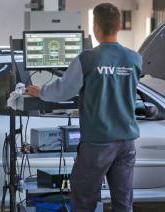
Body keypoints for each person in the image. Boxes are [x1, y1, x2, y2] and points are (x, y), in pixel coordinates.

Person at [25, 3, 141, 212]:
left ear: (96, 27)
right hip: (126, 142)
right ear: (119, 26)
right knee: (123, 202)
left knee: (84, 200)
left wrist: (40, 91)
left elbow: (63, 90)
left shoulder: (87, 59)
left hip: (98, 142)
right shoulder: (134, 58)